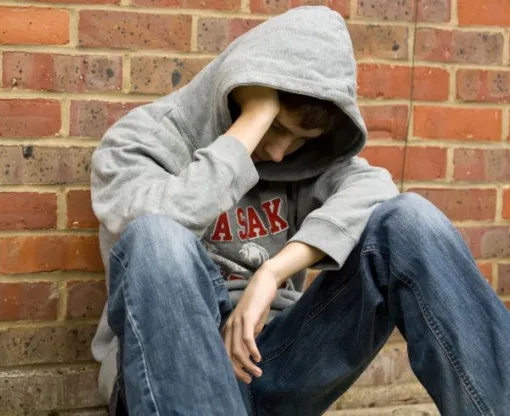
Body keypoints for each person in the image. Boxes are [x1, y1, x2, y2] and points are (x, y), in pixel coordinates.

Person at [90, 6, 510, 416]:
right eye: (275, 127)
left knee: (411, 220)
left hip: (273, 363)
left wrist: (272, 274)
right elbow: (141, 230)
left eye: (298, 139)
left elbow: (376, 189)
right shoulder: (139, 140)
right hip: (170, 374)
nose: (277, 151)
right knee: (158, 237)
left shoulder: (308, 161)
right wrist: (252, 123)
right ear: (237, 89)